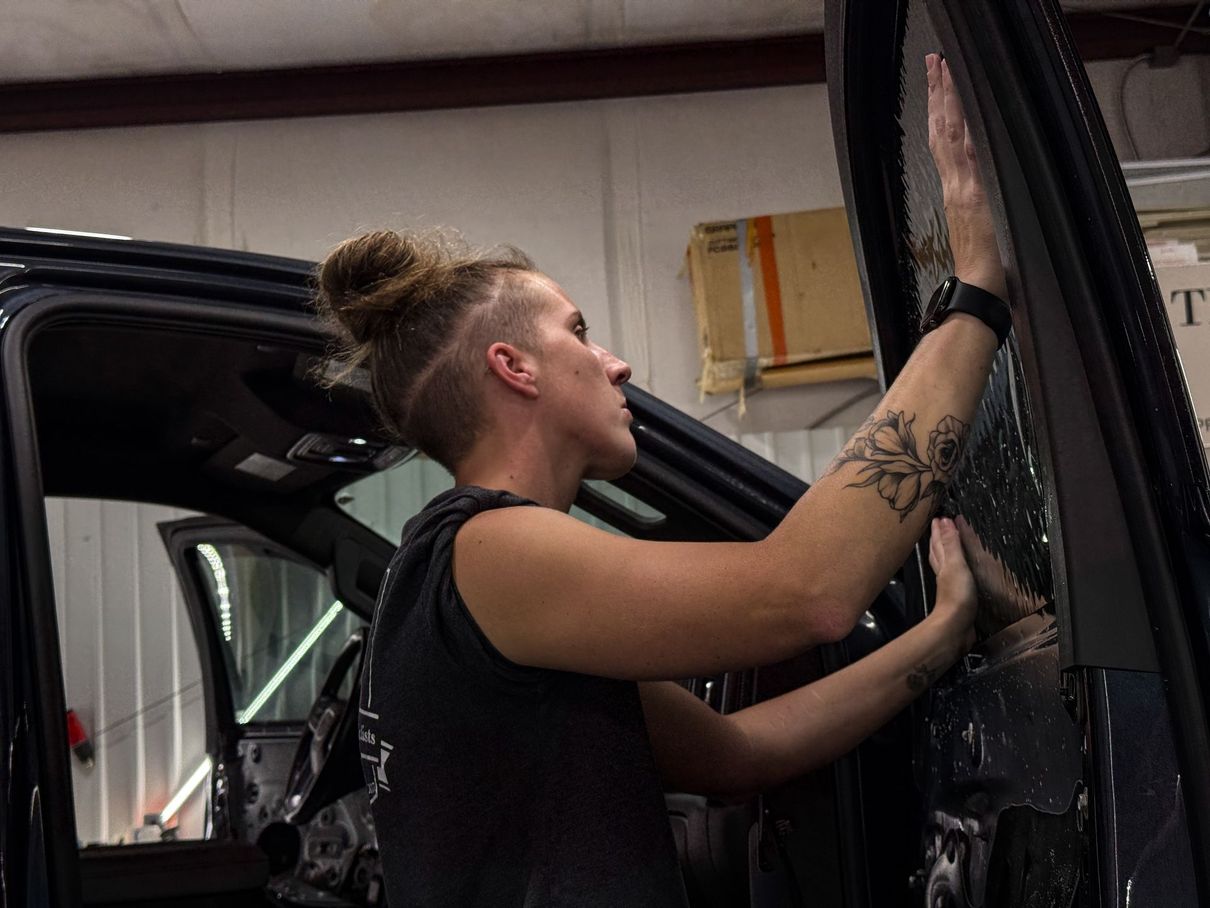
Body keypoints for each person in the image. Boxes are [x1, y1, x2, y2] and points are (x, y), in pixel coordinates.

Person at [316, 55, 1003, 906]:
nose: (617, 363)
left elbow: (735, 754)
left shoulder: (458, 575)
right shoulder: (489, 553)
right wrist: (976, 294)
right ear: (514, 366)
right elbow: (811, 591)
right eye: (579, 332)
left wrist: (944, 631)